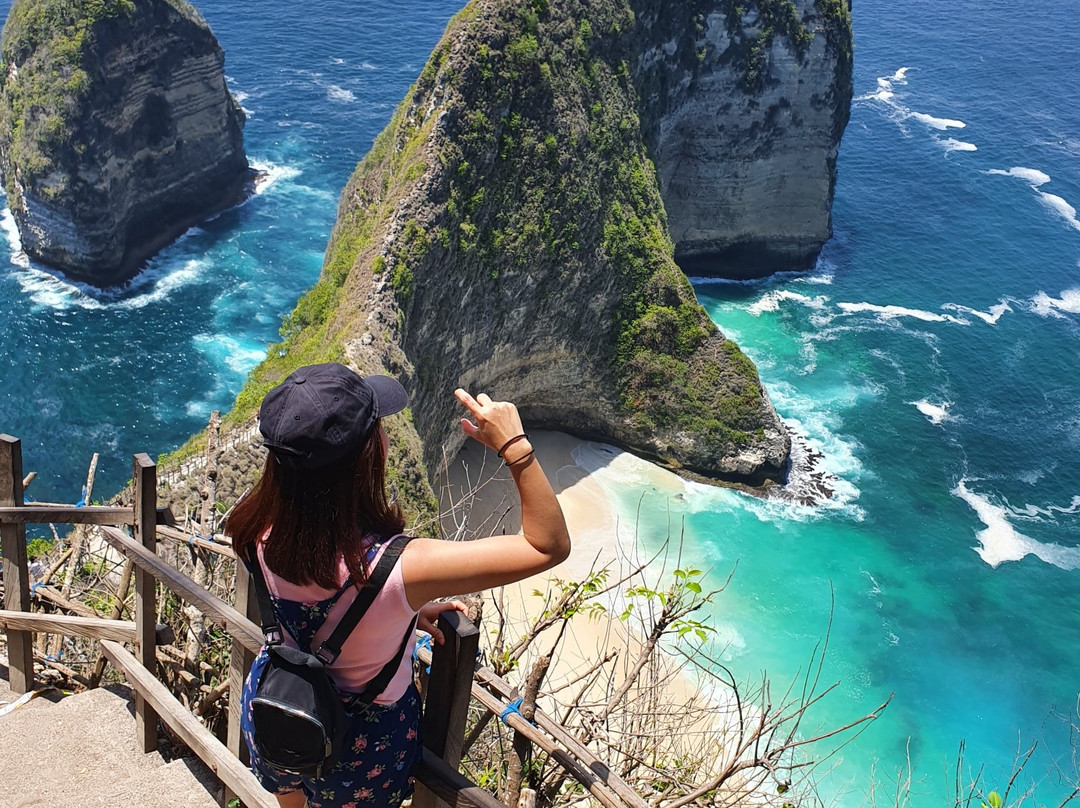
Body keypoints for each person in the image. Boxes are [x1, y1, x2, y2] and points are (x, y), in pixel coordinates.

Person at [226, 362, 571, 808]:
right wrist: (514, 445)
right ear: (369, 454)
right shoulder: (401, 566)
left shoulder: (252, 528)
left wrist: (399, 615)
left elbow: (307, 605)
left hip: (276, 707)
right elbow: (548, 545)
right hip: (359, 749)